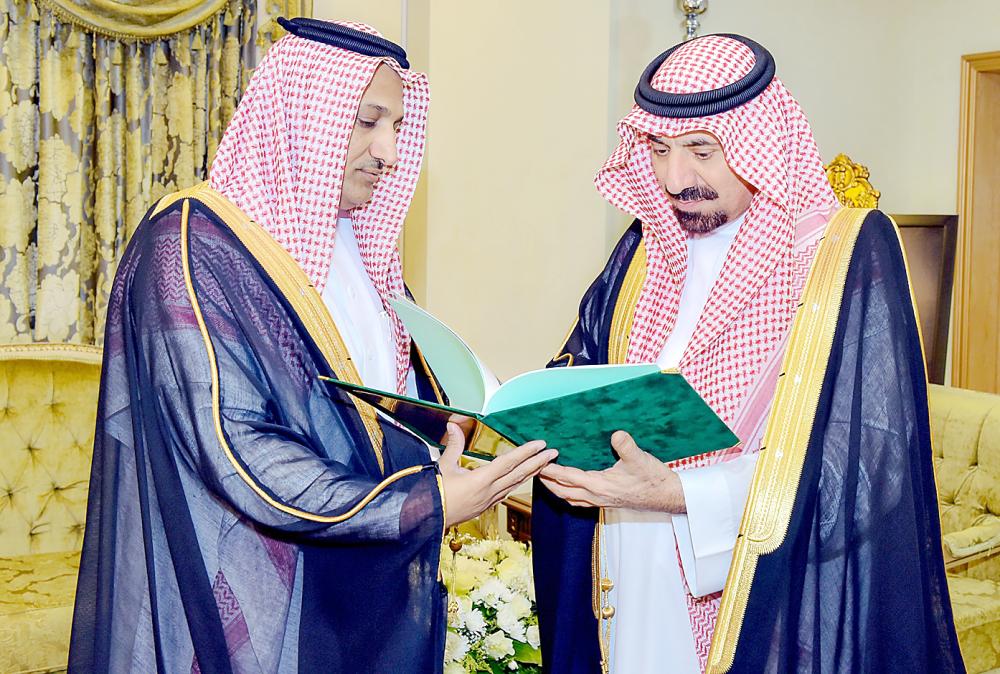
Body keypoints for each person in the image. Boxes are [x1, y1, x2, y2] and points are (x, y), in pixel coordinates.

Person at [68, 18, 556, 674]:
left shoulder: (356, 243)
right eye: (367, 121)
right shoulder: (191, 248)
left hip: (357, 579)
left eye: (397, 126)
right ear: (302, 117)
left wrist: (452, 427)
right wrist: (425, 503)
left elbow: (367, 399)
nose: (388, 151)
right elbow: (236, 446)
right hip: (249, 589)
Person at [532, 34, 964, 674]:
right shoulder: (643, 248)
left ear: (759, 141)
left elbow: (870, 458)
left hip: (764, 600)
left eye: (701, 151)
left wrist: (686, 493)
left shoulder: (842, 256)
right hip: (627, 580)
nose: (675, 179)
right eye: (659, 150)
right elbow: (581, 374)